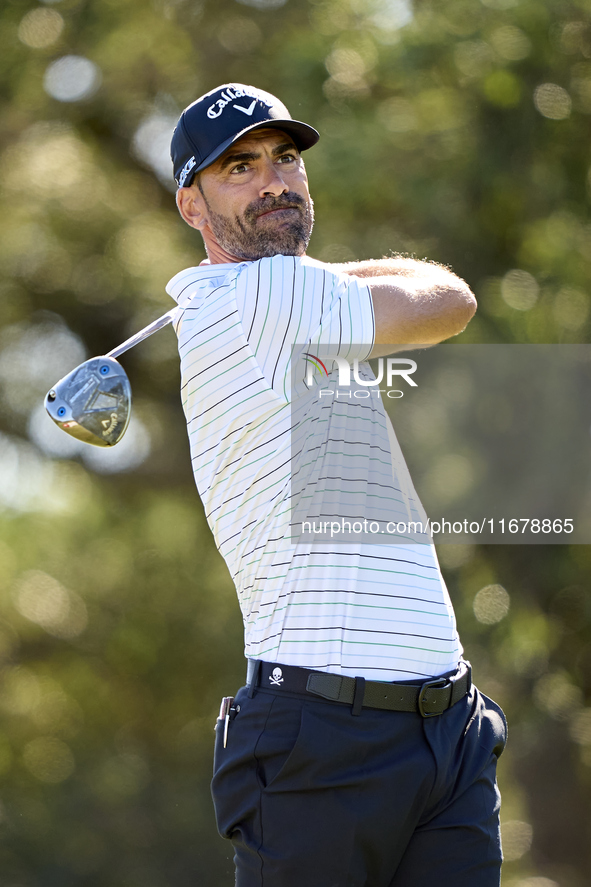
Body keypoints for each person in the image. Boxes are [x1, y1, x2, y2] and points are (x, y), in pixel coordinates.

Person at [167, 83, 507, 887]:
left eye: (285, 160)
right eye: (238, 169)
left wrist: (286, 266)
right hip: (323, 735)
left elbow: (310, 282)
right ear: (191, 206)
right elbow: (450, 300)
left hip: (445, 721)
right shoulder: (268, 299)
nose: (274, 181)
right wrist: (290, 271)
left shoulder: (273, 295)